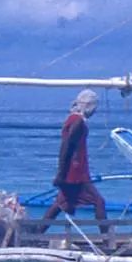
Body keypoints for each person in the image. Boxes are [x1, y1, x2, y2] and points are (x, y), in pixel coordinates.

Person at [41, 88, 108, 235]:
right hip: (75, 174)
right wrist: (60, 174)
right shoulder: (77, 122)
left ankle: (35, 233)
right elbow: (66, 146)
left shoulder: (74, 120)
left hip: (74, 171)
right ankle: (107, 239)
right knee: (98, 202)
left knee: (59, 204)